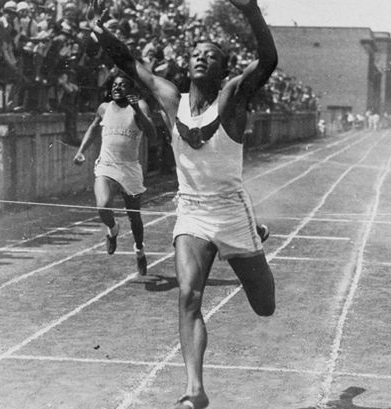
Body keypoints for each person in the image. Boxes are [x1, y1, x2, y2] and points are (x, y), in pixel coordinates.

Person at [89, 0, 276, 407]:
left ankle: (255, 236)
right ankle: (195, 390)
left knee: (265, 306)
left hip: (230, 209)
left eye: (211, 56)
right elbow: (131, 64)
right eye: (195, 54)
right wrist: (103, 35)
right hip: (191, 210)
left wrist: (251, 11)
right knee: (188, 295)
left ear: (222, 68)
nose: (200, 58)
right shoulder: (170, 98)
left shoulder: (232, 97)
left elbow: (267, 59)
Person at [73, 74, 156, 276]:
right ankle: (112, 229)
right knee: (103, 206)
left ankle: (139, 250)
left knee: (134, 217)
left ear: (130, 89)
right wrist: (81, 150)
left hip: (129, 169)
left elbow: (152, 134)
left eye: (122, 85)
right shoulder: (104, 108)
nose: (117, 88)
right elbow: (93, 128)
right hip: (107, 165)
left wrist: (136, 110)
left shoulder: (141, 106)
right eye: (115, 85)